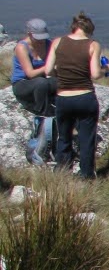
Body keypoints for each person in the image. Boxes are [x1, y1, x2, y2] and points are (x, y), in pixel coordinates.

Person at [43, 11, 109, 179]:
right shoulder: (92, 45)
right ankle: (86, 176)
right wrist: (106, 70)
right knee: (86, 140)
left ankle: (63, 174)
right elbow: (95, 74)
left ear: (73, 28)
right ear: (89, 30)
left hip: (63, 98)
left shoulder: (57, 42)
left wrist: (62, 74)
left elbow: (48, 70)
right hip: (85, 96)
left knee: (64, 137)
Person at [10, 18, 57, 165]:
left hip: (42, 81)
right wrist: (49, 68)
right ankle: (41, 119)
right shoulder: (21, 47)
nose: (41, 41)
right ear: (29, 34)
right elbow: (29, 73)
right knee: (41, 83)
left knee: (59, 83)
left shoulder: (48, 45)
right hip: (23, 83)